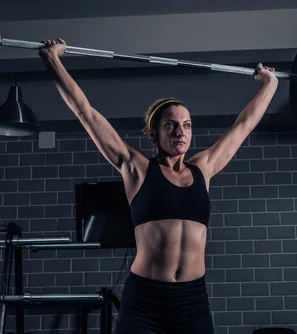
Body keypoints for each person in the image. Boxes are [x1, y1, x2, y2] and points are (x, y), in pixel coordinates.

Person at [39, 38, 279, 334]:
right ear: (153, 134)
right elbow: (85, 112)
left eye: (187, 125)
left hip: (192, 301)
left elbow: (243, 126)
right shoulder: (137, 168)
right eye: (171, 125)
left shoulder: (204, 168)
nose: (181, 131)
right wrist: (53, 59)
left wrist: (270, 84)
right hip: (145, 301)